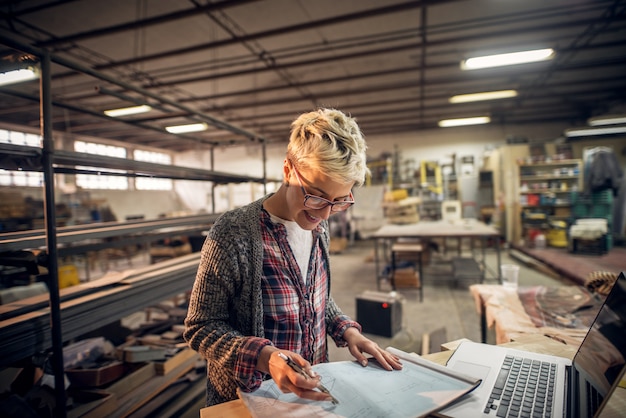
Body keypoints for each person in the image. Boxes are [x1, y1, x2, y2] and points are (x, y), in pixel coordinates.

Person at [184, 108, 402, 407]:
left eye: (339, 201)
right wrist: (265, 357)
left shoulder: (318, 229)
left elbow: (313, 300)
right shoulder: (234, 233)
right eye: (315, 195)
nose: (324, 214)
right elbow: (201, 326)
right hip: (249, 400)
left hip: (311, 396)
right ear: (288, 170)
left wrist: (347, 330)